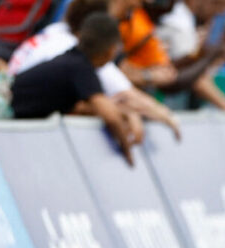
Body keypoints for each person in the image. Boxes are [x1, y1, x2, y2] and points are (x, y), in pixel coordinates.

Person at [11, 12, 136, 165]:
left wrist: (125, 113)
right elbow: (110, 116)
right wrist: (128, 151)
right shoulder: (81, 68)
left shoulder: (73, 61)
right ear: (111, 50)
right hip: (7, 122)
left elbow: (83, 107)